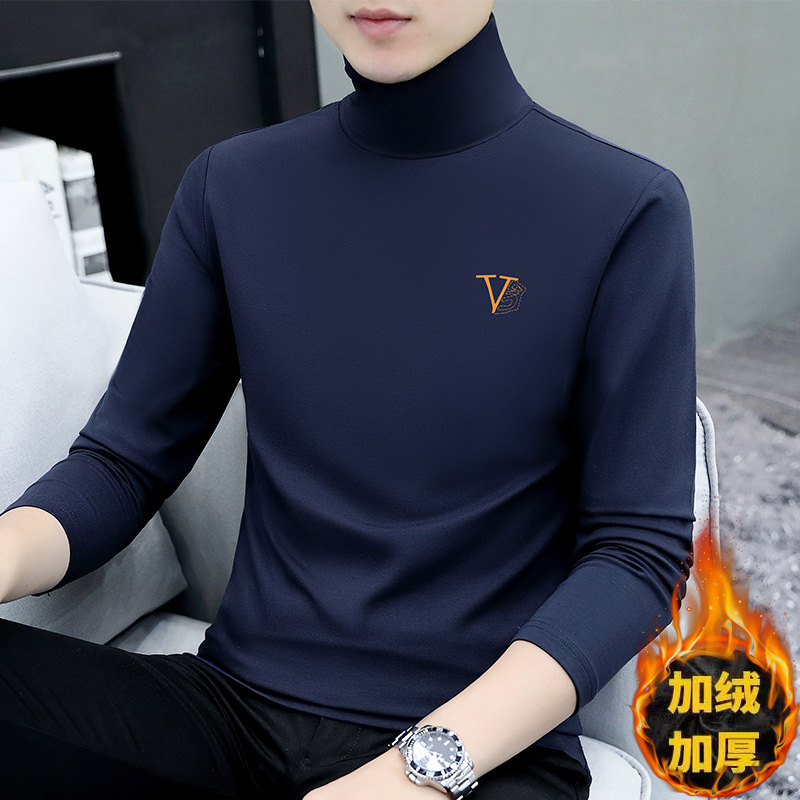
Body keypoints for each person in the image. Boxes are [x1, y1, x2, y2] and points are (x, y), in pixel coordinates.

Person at [0, 1, 697, 797]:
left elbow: (637, 551)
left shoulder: (621, 206)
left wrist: (412, 775)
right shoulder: (234, 184)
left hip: (478, 753)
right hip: (231, 710)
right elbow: (123, 464)